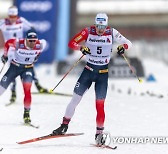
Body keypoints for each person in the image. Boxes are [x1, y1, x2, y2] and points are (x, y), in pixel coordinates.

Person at [51, 13, 132, 145]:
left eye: (103, 26)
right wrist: (81, 48)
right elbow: (71, 43)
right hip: (88, 71)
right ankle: (64, 126)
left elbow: (128, 43)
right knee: (75, 100)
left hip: (103, 74)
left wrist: (124, 47)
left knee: (100, 106)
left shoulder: (112, 32)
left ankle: (99, 135)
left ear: (106, 25)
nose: (100, 29)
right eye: (98, 26)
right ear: (95, 24)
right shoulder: (87, 31)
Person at [0, 6, 48, 104]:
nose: (12, 18)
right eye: (10, 16)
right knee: (12, 70)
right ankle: (13, 92)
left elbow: (31, 28)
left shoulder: (21, 20)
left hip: (22, 47)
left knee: (28, 66)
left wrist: (30, 41)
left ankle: (38, 85)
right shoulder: (3, 22)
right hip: (11, 49)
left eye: (14, 16)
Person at [0, 29, 46, 124]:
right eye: (30, 41)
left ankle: (26, 114)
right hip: (14, 67)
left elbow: (41, 49)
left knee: (27, 90)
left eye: (34, 40)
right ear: (26, 39)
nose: (33, 43)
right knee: (1, 88)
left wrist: (37, 56)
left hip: (28, 69)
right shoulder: (18, 43)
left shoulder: (40, 44)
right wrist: (5, 55)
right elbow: (8, 43)